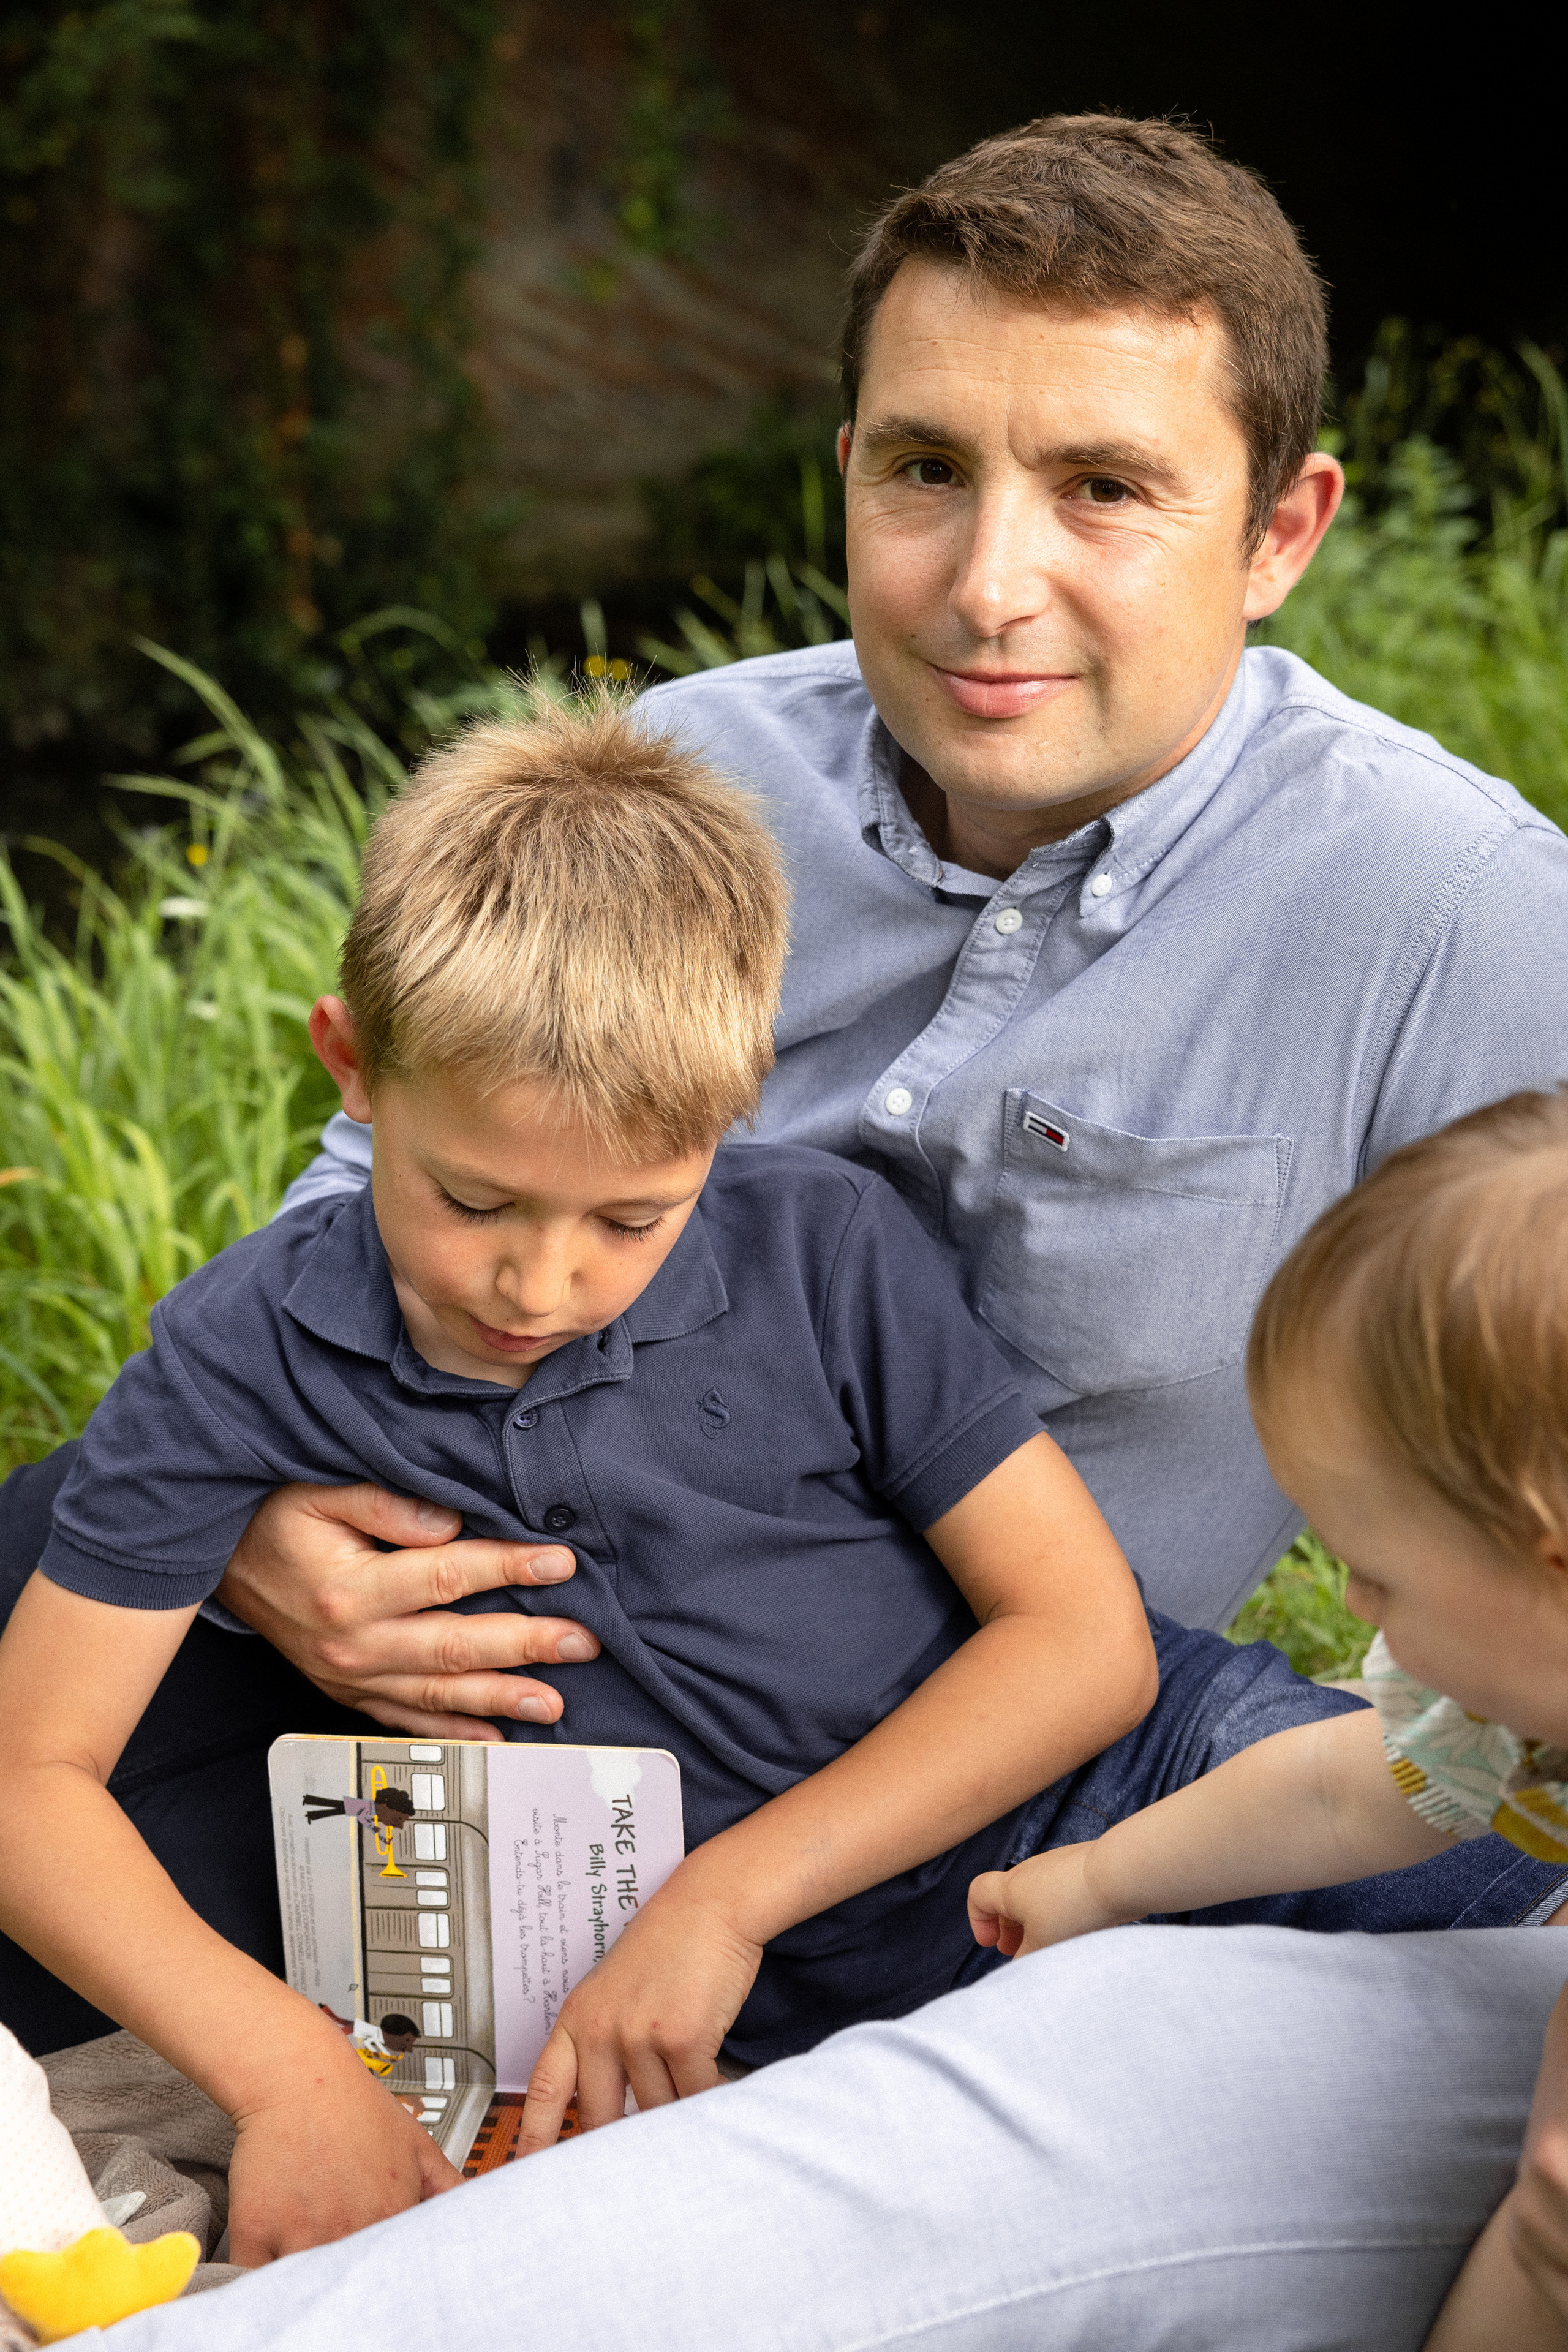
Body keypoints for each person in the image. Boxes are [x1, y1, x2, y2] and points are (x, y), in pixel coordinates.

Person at [7, 105, 1568, 2336]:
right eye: (923, 470)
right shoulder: (681, 778)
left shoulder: (1459, 915)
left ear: (1283, 529)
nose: (985, 580)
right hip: (466, 1670)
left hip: (1004, 1724)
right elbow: (348, 1233)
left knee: (1450, 1931)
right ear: (845, 467)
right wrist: (270, 1521)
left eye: (1107, 489)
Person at [0, 695, 1160, 2260]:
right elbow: (27, 1779)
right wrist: (287, 2080)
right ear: (352, 1067)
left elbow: (1085, 1644)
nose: (538, 1287)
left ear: (732, 1106)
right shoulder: (242, 1349)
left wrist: (720, 1902)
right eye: (471, 1197)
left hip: (1102, 1817)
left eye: (629, 1220)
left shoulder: (820, 1251)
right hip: (720, 2030)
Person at [967, 1090, 1568, 2345]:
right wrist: (1103, 1879)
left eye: (1378, 1573)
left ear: (1546, 1562)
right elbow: (1335, 1790)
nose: (1350, 1603)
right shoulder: (1497, 1713)